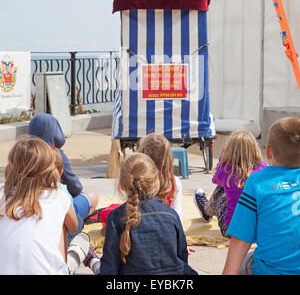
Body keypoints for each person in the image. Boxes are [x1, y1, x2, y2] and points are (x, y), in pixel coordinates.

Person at [222, 117, 300, 275]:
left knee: (245, 262)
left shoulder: (258, 182)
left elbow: (240, 240)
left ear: (268, 151)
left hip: (270, 270)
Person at [98, 153, 197, 275]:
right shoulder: (171, 215)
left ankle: (91, 261)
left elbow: (109, 267)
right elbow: (182, 256)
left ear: (122, 186)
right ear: (156, 183)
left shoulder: (115, 218)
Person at [0, 136, 78, 275]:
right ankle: (66, 265)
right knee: (62, 225)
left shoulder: (2, 195)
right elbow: (73, 227)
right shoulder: (57, 196)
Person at [28, 113, 98, 242]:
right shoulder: (55, 154)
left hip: (26, 216)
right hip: (56, 219)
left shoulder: (22, 153)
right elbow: (76, 188)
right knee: (91, 197)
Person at [194, 130, 266, 238]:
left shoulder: (227, 170)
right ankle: (206, 210)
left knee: (221, 190)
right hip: (260, 229)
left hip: (232, 231)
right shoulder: (263, 168)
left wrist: (223, 158)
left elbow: (215, 180)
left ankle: (206, 210)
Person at [137, 132, 183, 220]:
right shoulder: (174, 182)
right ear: (168, 158)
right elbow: (177, 214)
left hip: (139, 225)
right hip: (165, 227)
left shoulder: (137, 179)